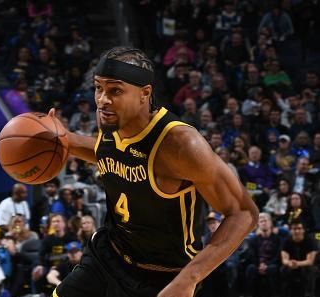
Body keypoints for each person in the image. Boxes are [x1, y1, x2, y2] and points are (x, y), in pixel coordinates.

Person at [45, 46, 258, 297]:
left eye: (115, 90)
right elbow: (107, 151)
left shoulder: (180, 145)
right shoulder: (112, 121)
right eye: (98, 88)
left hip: (164, 275)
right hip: (108, 255)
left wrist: (188, 280)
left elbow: (243, 213)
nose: (102, 99)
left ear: (144, 94)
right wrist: (65, 140)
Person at [245, 213, 281, 297]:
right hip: (258, 264)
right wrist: (259, 265)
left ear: (270, 223)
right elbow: (252, 255)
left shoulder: (277, 239)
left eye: (265, 221)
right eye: (261, 221)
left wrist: (267, 265)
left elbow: (278, 256)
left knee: (273, 269)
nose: (263, 223)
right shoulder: (253, 240)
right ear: (258, 224)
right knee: (250, 268)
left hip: (272, 264)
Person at [280, 220, 317, 297]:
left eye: (299, 228)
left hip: (306, 265)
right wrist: (289, 263)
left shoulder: (310, 241)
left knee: (310, 270)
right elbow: (284, 259)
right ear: (290, 230)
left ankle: (309, 294)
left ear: (303, 230)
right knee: (283, 269)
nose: (297, 231)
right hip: (292, 264)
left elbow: (310, 261)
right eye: (294, 229)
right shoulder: (286, 241)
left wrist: (297, 263)